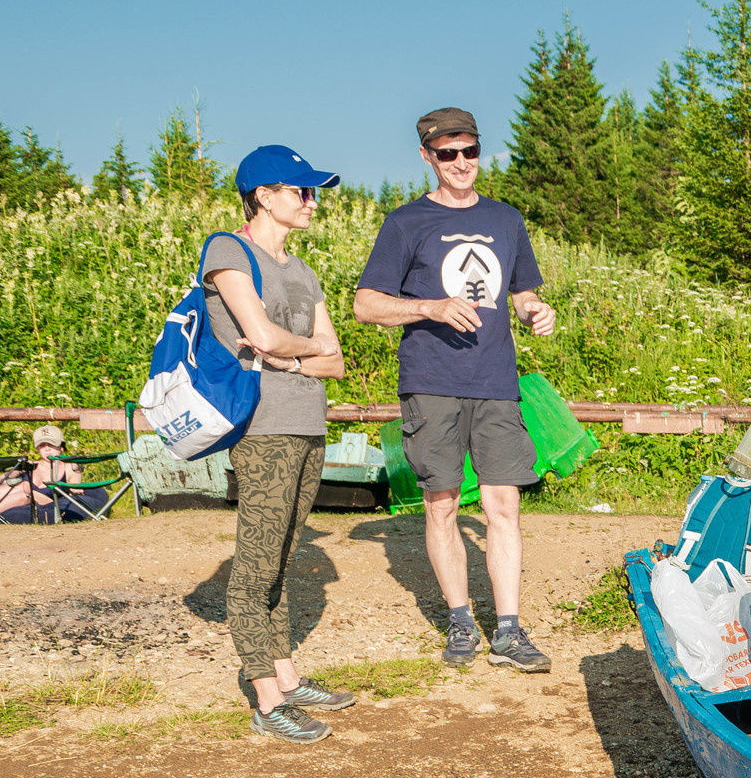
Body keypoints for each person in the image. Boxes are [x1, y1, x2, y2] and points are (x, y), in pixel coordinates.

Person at [351, 107, 557, 672]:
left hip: (495, 383)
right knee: (442, 504)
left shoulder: (506, 220)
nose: (461, 163)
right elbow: (364, 304)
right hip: (431, 383)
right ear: (427, 157)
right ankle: (461, 620)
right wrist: (430, 307)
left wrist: (539, 313)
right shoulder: (405, 223)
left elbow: (524, 296)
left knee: (503, 504)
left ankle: (509, 630)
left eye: (469, 150)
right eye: (448, 154)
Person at [206, 146, 357, 741]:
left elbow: (336, 358)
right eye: (302, 191)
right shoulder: (227, 250)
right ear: (265, 196)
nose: (312, 202)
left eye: (314, 191)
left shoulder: (302, 270)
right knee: (256, 566)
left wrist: (292, 360)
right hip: (262, 427)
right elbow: (259, 333)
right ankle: (268, 702)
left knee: (283, 558)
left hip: (307, 423)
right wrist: (305, 349)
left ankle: (288, 677)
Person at [0, 425, 101, 522]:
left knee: (23, 490)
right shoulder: (30, 465)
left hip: (44, 501)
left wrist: (75, 485)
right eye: (42, 445)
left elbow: (75, 482)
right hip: (15, 495)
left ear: (61, 446)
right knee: (0, 489)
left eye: (51, 445)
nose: (47, 449)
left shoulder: (69, 465)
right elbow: (2, 478)